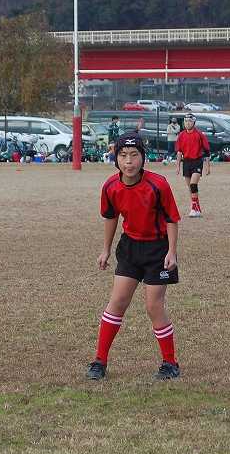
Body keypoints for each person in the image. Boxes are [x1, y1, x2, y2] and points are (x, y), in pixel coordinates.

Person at [87, 131, 181, 381]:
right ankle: (99, 361)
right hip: (129, 248)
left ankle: (170, 363)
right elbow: (111, 218)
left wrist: (172, 251)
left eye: (134, 155)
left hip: (157, 250)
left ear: (143, 157)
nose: (129, 161)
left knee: (153, 306)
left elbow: (172, 219)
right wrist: (106, 249)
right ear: (115, 158)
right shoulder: (110, 186)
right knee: (117, 301)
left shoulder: (158, 184)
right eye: (123, 155)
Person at [176, 113, 211, 218]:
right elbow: (179, 152)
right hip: (186, 163)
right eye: (186, 121)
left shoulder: (199, 135)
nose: (187, 123)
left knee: (193, 184)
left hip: (197, 161)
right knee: (190, 188)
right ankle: (196, 208)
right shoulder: (181, 135)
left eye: (190, 121)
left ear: (194, 122)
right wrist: (178, 166)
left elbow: (207, 151)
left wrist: (208, 167)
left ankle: (194, 208)